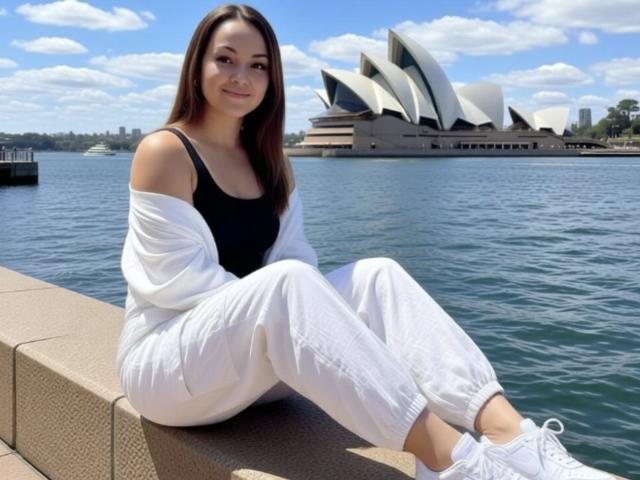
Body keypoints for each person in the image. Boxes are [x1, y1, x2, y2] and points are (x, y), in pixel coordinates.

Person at [117, 4, 623, 479]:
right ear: (196, 65)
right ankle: (454, 461)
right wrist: (287, 315)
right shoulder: (166, 151)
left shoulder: (274, 164)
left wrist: (314, 329)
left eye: (258, 65)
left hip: (247, 373)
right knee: (289, 284)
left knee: (377, 275)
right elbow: (177, 284)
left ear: (272, 80)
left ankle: (510, 437)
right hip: (167, 370)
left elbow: (294, 266)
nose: (240, 77)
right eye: (225, 60)